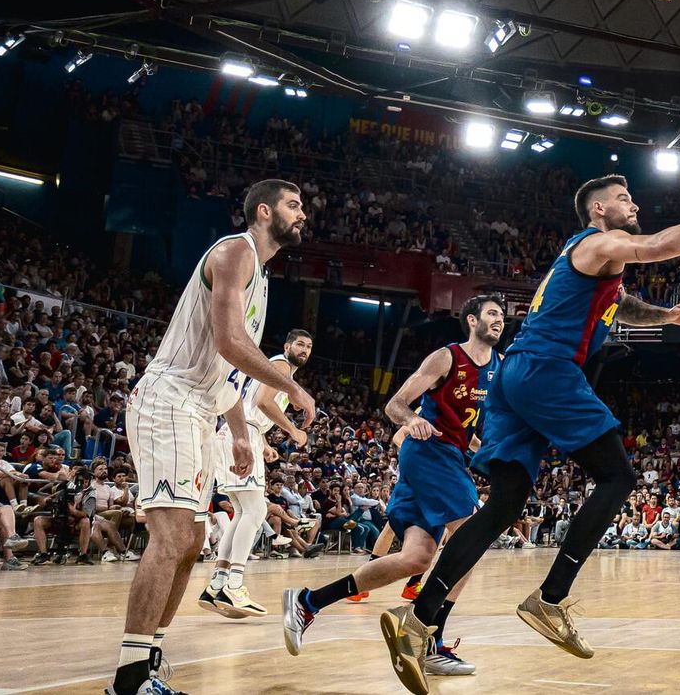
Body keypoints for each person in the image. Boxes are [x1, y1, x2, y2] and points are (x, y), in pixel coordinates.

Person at [383, 174, 680, 694]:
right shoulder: (600, 242)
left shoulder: (595, 259)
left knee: (502, 506)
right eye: (622, 199)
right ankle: (550, 597)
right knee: (617, 478)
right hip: (548, 370)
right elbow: (658, 246)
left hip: (516, 377)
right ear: (597, 210)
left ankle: (419, 620)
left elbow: (621, 304)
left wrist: (666, 315)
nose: (632, 203)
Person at [109, 180, 316, 695]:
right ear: (264, 211)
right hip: (170, 397)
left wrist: (242, 432)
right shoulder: (234, 253)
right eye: (294, 205)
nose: (303, 214)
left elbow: (228, 367)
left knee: (195, 538)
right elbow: (228, 339)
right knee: (174, 535)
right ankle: (130, 678)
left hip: (203, 408)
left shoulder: (262, 278)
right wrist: (289, 384)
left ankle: (149, 659)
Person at [286, 295, 507, 682]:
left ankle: (309, 602)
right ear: (471, 320)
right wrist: (412, 420)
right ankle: (429, 640)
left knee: (416, 559)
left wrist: (484, 450)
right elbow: (395, 406)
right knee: (472, 536)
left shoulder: (498, 368)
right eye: (492, 314)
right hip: (428, 455)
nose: (499, 320)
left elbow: (466, 429)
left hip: (449, 457)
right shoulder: (446, 358)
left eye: (502, 316)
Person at [198, 329, 315, 619]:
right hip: (241, 433)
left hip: (236, 431)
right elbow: (264, 401)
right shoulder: (281, 366)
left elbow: (252, 405)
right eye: (300, 344)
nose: (304, 349)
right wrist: (293, 430)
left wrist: (262, 443)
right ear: (287, 346)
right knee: (255, 509)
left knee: (242, 511)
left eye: (309, 346)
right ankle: (235, 585)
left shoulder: (278, 369)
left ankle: (216, 586)